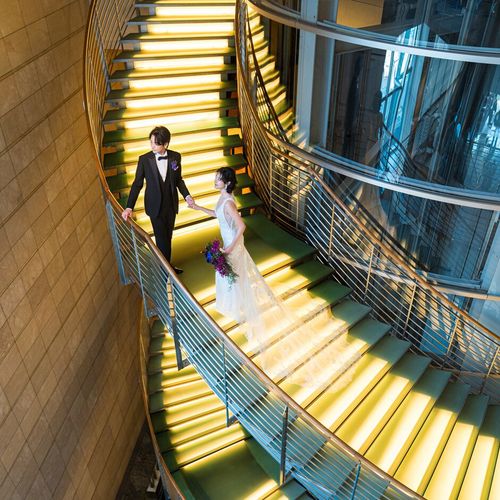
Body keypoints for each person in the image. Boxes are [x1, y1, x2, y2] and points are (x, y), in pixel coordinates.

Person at [191, 168, 356, 387]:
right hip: (229, 244)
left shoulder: (229, 202)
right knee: (230, 276)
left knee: (232, 275)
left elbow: (241, 226)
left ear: (227, 182)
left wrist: (229, 247)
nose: (215, 181)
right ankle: (234, 304)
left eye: (218, 178)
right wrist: (197, 207)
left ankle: (236, 306)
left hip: (232, 246)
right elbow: (217, 215)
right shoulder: (223, 198)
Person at [121, 126, 194, 274]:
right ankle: (165, 272)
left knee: (168, 237)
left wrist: (187, 196)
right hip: (155, 207)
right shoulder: (144, 160)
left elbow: (178, 180)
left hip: (171, 205)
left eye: (156, 143)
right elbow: (137, 184)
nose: (152, 146)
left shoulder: (175, 157)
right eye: (151, 142)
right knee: (161, 240)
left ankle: (167, 267)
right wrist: (129, 207)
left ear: (165, 144)